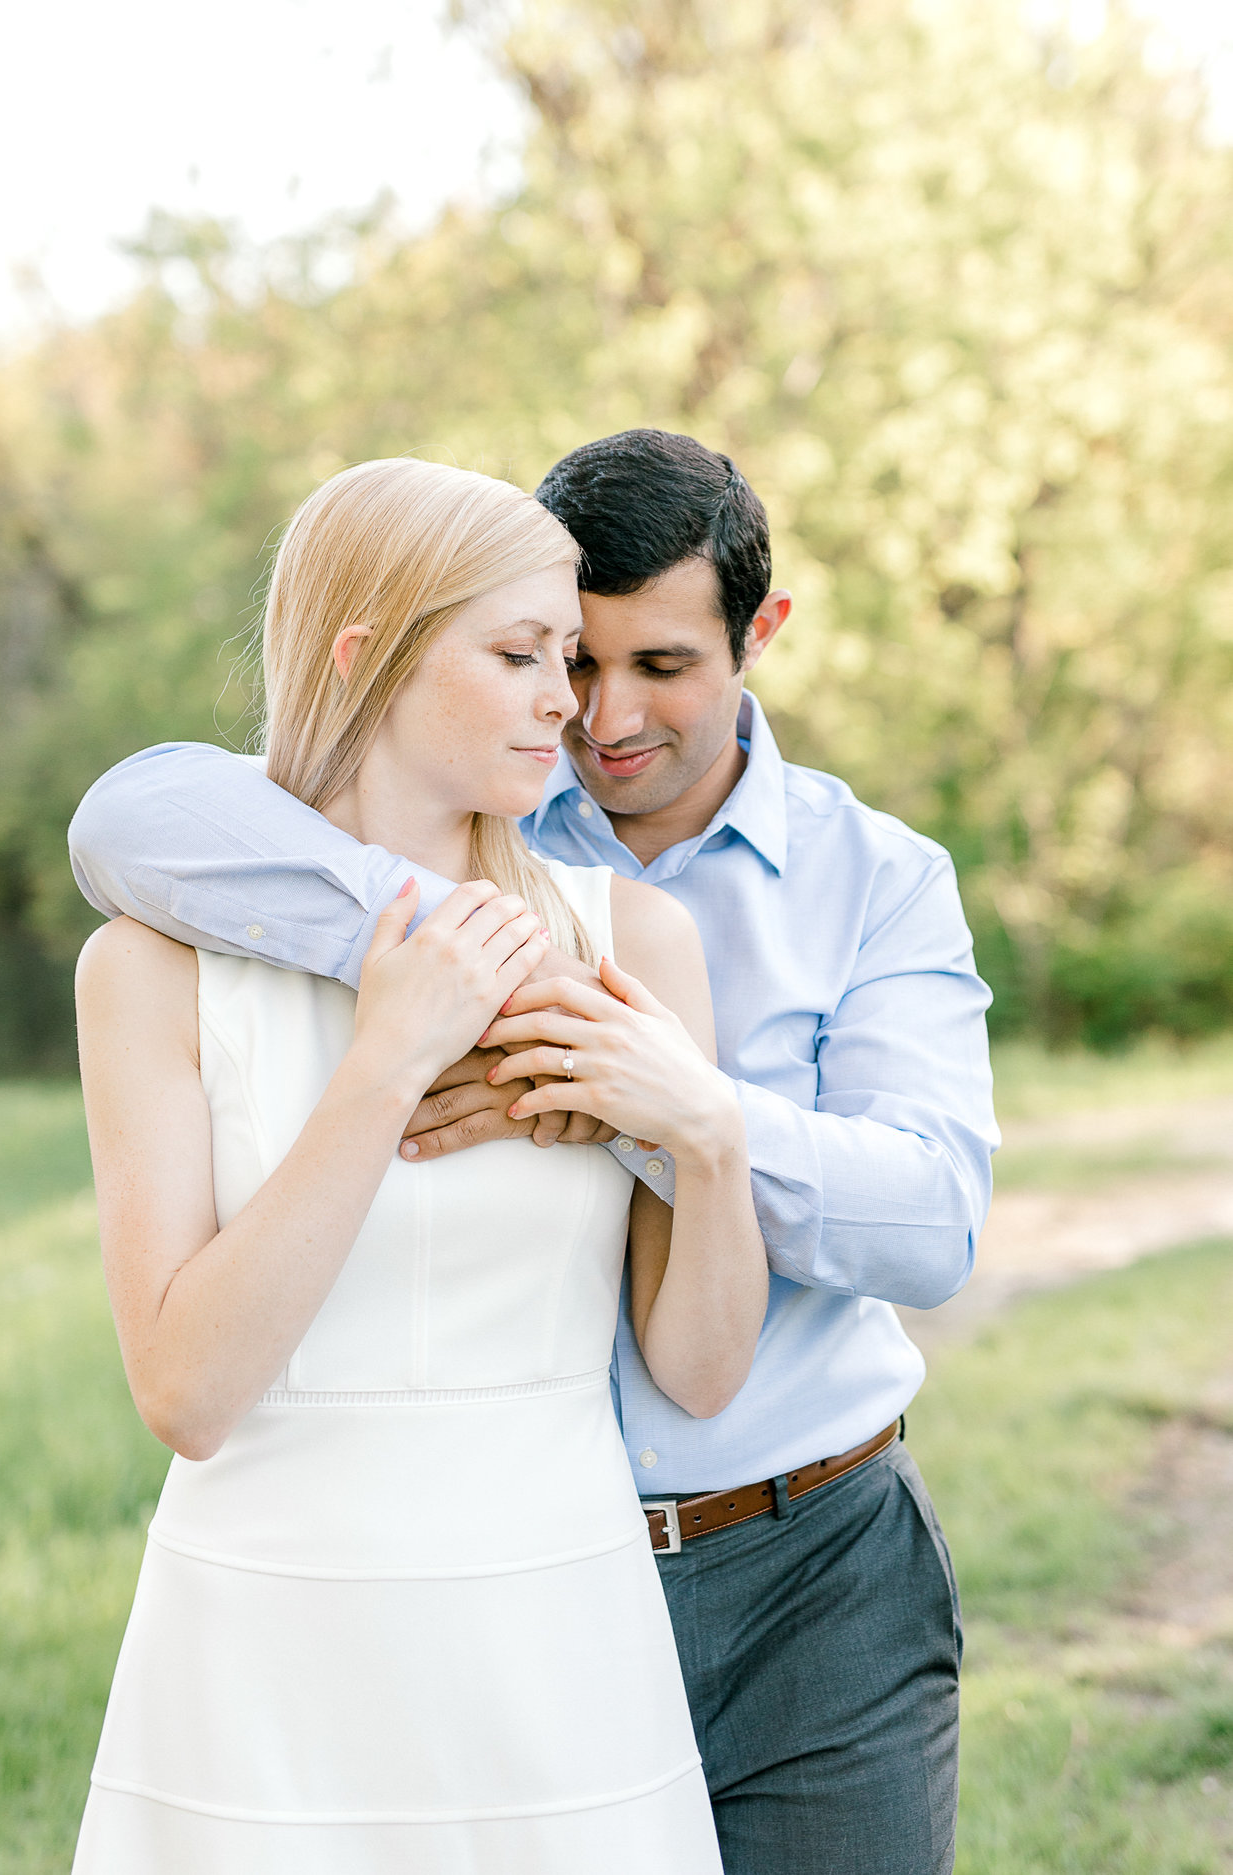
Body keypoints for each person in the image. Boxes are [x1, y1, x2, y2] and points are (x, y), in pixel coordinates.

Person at [70, 429, 997, 1874]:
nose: (584, 710)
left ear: (759, 638)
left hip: (706, 1578)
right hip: (274, 1622)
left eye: (635, 663)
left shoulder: (700, 921)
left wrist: (695, 1119)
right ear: (373, 653)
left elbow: (865, 1267)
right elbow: (131, 815)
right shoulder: (185, 935)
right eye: (543, 654)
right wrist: (419, 1009)